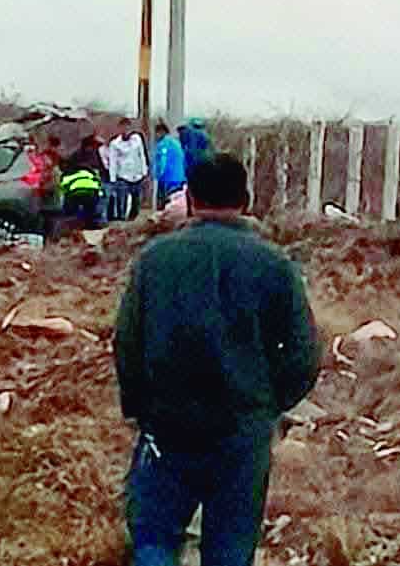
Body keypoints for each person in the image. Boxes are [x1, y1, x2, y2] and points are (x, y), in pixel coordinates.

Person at [114, 153, 321, 566]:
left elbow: (127, 343)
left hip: (167, 426)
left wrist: (139, 408)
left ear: (191, 199)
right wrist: (268, 404)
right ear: (246, 199)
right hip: (241, 431)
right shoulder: (274, 264)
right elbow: (304, 353)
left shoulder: (154, 260)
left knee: (154, 538)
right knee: (231, 546)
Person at [109, 119, 149, 221]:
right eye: (123, 127)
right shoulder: (115, 144)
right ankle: (121, 219)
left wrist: (144, 171)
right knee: (122, 201)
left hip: (137, 175)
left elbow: (142, 154)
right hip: (123, 175)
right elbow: (113, 161)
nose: (126, 130)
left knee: (136, 201)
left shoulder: (137, 139)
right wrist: (113, 179)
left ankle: (133, 219)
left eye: (127, 127)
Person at [153, 121, 186, 210]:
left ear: (161, 132)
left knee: (164, 204)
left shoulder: (163, 144)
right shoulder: (176, 142)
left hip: (167, 178)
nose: (156, 136)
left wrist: (158, 175)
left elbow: (163, 160)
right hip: (180, 178)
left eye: (156, 133)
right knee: (176, 203)